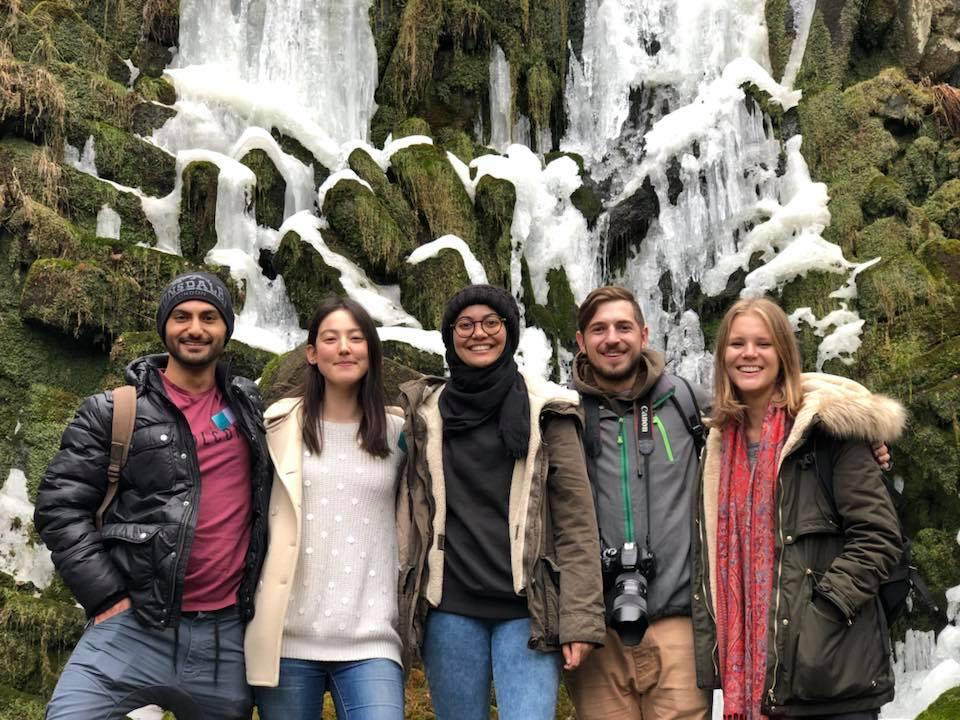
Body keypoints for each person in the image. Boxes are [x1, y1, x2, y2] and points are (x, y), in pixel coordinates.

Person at [34, 271, 271, 720]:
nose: (195, 328)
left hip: (223, 639)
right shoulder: (113, 410)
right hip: (134, 623)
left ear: (226, 331)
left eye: (209, 317)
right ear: (164, 326)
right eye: (182, 316)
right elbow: (58, 507)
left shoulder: (248, 407)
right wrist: (105, 597)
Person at [396, 284, 605, 720]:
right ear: (450, 335)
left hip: (525, 611)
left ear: (509, 331)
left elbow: (577, 526)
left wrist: (580, 621)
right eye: (465, 324)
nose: (479, 334)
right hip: (449, 611)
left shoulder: (549, 413)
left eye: (492, 323)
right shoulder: (426, 413)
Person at [692, 297, 904, 720]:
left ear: (784, 354)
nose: (749, 354)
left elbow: (879, 537)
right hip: (758, 677)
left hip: (829, 670)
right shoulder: (716, 446)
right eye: (737, 344)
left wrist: (821, 614)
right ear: (722, 357)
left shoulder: (829, 432)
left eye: (763, 343)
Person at [246, 296, 405, 720]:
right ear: (312, 354)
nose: (345, 348)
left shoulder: (399, 434)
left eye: (356, 338)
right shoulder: (279, 424)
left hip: (372, 637)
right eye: (331, 339)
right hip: (287, 638)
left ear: (371, 350)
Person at [563, 285, 714, 720]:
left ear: (644, 334)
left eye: (623, 327)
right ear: (581, 341)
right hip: (596, 634)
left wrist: (857, 431)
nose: (612, 338)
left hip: (679, 623)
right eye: (599, 329)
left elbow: (771, 402)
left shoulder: (687, 401)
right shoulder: (562, 413)